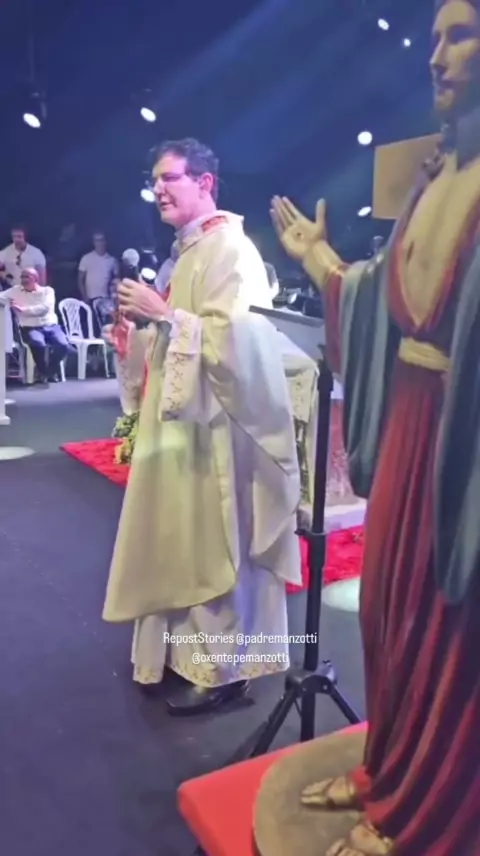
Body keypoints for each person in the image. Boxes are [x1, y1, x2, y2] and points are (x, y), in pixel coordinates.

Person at [269, 2, 480, 854]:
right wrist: (320, 262)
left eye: (459, 35)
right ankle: (388, 768)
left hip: (465, 443)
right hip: (411, 422)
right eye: (433, 38)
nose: (436, 56)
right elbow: (385, 293)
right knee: (390, 611)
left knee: (451, 633)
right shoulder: (437, 176)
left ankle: (426, 814)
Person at [102, 137, 302, 716]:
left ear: (205, 182)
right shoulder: (189, 251)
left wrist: (164, 314)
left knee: (216, 541)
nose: (158, 189)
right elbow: (181, 333)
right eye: (154, 180)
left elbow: (241, 343)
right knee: (179, 539)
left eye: (170, 178)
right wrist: (139, 333)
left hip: (219, 431)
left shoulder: (231, 249)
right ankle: (179, 656)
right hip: (185, 426)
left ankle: (225, 673)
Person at [0, 268, 69, 384]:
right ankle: (44, 371)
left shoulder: (47, 291)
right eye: (22, 277)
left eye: (27, 277)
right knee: (38, 343)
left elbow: (44, 309)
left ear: (35, 279)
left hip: (50, 326)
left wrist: (23, 310)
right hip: (30, 327)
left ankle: (49, 371)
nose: (24, 279)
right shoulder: (16, 291)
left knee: (63, 345)